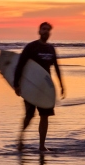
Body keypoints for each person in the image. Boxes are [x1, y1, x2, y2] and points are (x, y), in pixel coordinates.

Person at [14, 22, 65, 152]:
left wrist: (61, 85)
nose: (46, 31)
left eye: (48, 30)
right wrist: (16, 84)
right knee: (30, 115)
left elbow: (57, 67)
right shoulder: (31, 47)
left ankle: (42, 145)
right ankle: (21, 137)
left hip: (45, 88)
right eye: (44, 29)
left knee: (45, 116)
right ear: (39, 31)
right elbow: (20, 65)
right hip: (31, 87)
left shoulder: (51, 49)